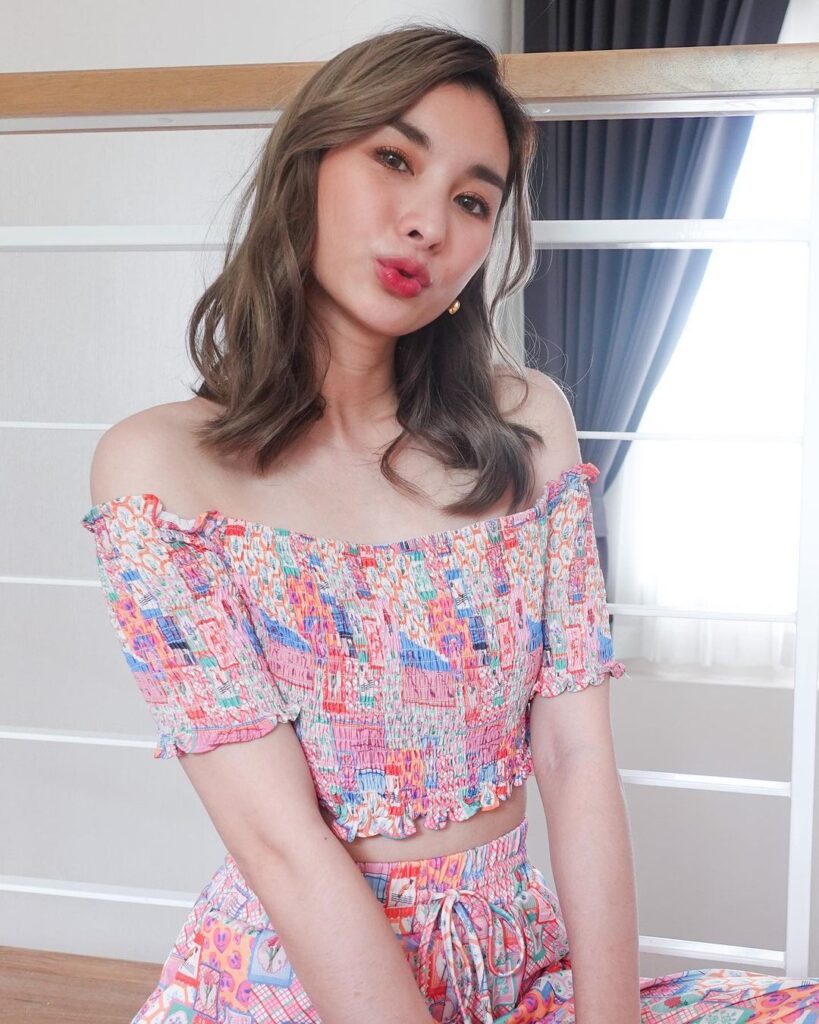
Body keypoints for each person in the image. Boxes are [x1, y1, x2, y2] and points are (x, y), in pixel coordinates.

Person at [80, 22, 819, 1024]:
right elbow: (281, 846)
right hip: (301, 982)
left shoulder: (527, 425)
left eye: (472, 200)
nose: (429, 223)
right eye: (394, 158)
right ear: (306, 167)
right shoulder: (158, 469)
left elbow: (574, 758)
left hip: (516, 966)